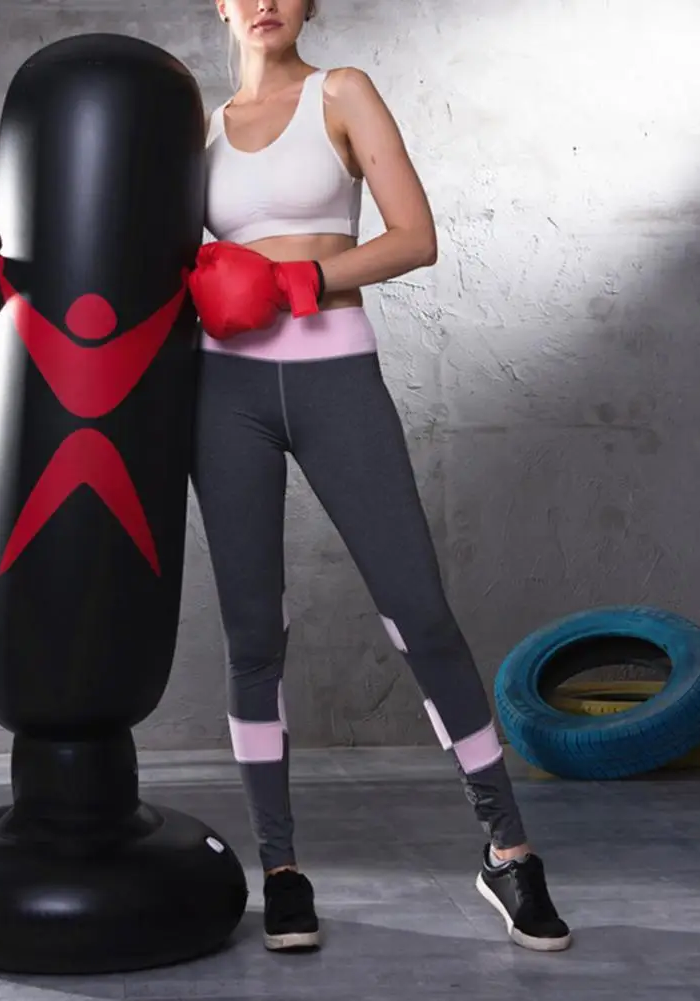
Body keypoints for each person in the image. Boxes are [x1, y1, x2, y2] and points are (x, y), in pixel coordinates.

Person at [186, 0, 572, 955]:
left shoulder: (342, 92)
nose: (265, 2)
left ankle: (507, 850)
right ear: (220, 4)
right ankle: (280, 869)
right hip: (222, 392)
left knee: (419, 613)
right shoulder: (197, 128)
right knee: (252, 634)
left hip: (335, 378)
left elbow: (414, 235)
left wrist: (299, 281)